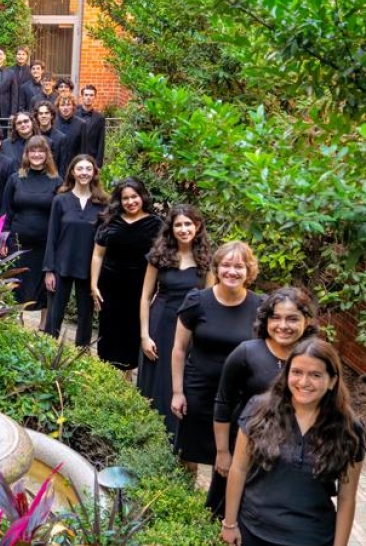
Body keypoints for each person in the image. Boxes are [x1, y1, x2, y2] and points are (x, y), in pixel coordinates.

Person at [222, 339, 365, 546]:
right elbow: (239, 468)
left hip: (313, 538)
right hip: (253, 533)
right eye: (297, 372)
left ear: (332, 381)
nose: (303, 382)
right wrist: (229, 524)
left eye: (315, 375)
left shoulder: (350, 429)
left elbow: (346, 498)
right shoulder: (258, 410)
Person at [209, 286, 319, 518]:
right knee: (229, 512)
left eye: (292, 319)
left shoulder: (314, 358)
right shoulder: (246, 353)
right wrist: (222, 452)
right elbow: (223, 402)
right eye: (275, 317)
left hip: (289, 455)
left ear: (307, 321)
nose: (283, 325)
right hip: (244, 447)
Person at [171, 241, 263, 472]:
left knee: (227, 459)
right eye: (226, 265)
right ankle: (183, 493)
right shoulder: (197, 301)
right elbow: (179, 348)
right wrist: (177, 392)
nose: (232, 271)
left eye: (239, 266)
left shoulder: (261, 308)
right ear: (217, 268)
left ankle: (218, 495)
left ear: (249, 271)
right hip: (198, 390)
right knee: (188, 454)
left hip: (238, 396)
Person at [137, 204, 213, 437]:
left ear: (197, 226)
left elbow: (209, 303)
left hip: (189, 331)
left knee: (179, 385)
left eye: (188, 224)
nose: (183, 229)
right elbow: (145, 296)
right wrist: (144, 335)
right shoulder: (158, 256)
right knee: (153, 385)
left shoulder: (207, 260)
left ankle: (175, 440)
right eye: (178, 225)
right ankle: (147, 437)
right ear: (171, 228)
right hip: (160, 326)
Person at [90, 178, 163, 373]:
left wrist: (158, 289)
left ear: (142, 196)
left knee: (132, 332)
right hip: (110, 286)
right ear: (119, 200)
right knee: (109, 330)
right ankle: (106, 373)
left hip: (140, 288)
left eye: (134, 197)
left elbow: (162, 259)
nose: (130, 202)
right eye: (125, 198)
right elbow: (98, 254)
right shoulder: (110, 221)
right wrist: (94, 285)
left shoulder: (155, 224)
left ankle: (127, 374)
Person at [42, 155, 109, 347]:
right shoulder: (60, 200)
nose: (84, 173)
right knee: (54, 314)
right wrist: (49, 270)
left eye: (88, 169)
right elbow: (52, 236)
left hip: (88, 267)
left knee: (85, 316)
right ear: (72, 172)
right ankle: (48, 350)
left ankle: (82, 354)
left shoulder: (103, 204)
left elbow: (105, 240)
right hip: (61, 265)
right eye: (80, 169)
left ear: (94, 173)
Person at [3, 136, 61, 327]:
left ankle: (44, 326)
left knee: (45, 285)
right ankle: (18, 323)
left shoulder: (56, 181)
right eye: (32, 151)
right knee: (17, 283)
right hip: (18, 243)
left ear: (47, 154)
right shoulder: (15, 179)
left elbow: (60, 215)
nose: (36, 154)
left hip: (45, 245)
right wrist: (4, 238)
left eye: (40, 151)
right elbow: (7, 211)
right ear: (26, 154)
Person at [53, 91, 85, 174]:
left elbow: (83, 149)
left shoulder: (81, 124)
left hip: (73, 166)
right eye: (62, 105)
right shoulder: (52, 123)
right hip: (54, 167)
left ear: (73, 106)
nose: (65, 108)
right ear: (58, 107)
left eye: (68, 105)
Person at [78, 85, 106, 166]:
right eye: (86, 95)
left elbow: (101, 141)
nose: (88, 97)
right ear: (82, 96)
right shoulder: (74, 115)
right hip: (75, 157)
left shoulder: (100, 118)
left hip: (91, 157)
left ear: (95, 97)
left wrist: (98, 164)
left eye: (91, 95)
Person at [32, 101, 65, 166]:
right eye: (40, 113)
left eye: (46, 113)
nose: (43, 116)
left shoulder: (61, 138)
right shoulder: (32, 136)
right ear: (37, 116)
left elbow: (63, 164)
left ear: (51, 115)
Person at [11, 47, 32, 114]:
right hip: (12, 104)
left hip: (26, 103)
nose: (21, 56)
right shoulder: (9, 70)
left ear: (27, 56)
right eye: (19, 54)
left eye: (23, 54)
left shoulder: (31, 70)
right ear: (15, 56)